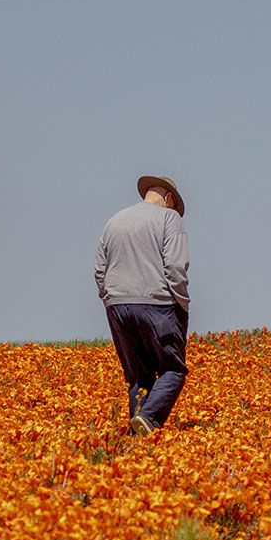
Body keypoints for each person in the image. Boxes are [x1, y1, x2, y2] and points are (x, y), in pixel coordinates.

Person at [95, 175, 191, 431]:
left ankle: (139, 436)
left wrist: (110, 297)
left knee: (139, 376)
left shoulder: (114, 221)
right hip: (157, 304)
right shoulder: (169, 219)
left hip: (117, 306)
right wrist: (181, 302)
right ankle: (148, 418)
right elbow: (176, 266)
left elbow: (99, 270)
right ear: (169, 198)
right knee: (173, 369)